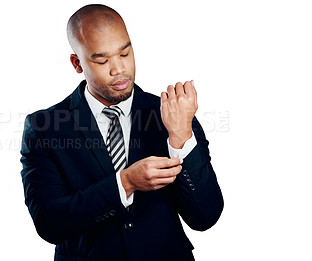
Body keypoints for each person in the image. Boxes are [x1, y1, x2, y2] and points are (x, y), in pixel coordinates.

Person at [20, 4, 223, 261]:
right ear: (77, 63)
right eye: (102, 60)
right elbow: (49, 223)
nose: (119, 70)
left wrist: (181, 137)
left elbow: (206, 216)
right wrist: (125, 183)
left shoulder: (172, 113)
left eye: (125, 54)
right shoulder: (44, 127)